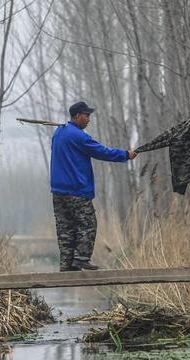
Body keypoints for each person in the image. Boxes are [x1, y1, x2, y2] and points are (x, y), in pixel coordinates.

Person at [50, 101, 137, 272]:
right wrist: (125, 155)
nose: (89, 119)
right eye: (86, 115)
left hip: (58, 191)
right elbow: (102, 152)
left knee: (65, 228)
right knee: (88, 224)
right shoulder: (79, 136)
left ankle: (67, 264)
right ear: (77, 116)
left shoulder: (59, 132)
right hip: (76, 190)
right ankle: (81, 259)